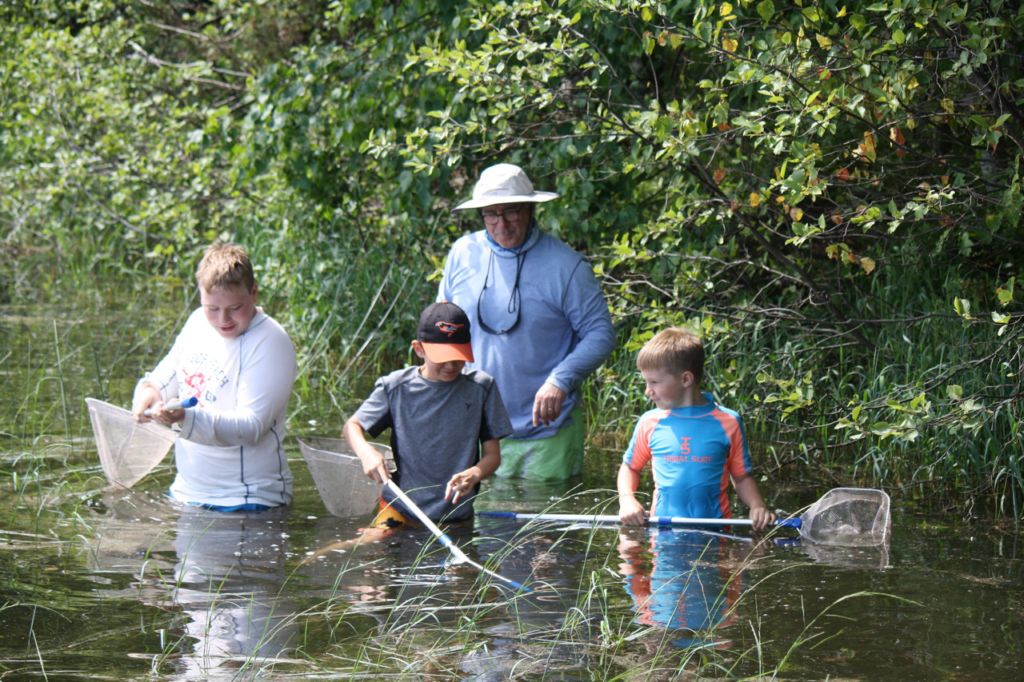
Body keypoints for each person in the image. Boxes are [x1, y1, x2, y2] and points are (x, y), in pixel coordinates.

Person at [439, 163, 615, 480]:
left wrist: (561, 379)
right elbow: (443, 326)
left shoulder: (567, 266)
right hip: (476, 428)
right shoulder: (462, 253)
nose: (501, 224)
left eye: (510, 212)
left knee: (547, 527)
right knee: (479, 526)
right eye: (490, 214)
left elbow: (600, 333)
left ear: (531, 208)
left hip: (548, 433)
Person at [132, 242, 297, 512]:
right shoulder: (198, 322)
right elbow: (167, 373)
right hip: (186, 493)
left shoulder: (271, 341)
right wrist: (148, 392)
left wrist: (186, 418)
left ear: (253, 293)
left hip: (250, 501)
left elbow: (251, 426)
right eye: (212, 308)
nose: (223, 319)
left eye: (234, 307)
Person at [343, 301, 513, 526]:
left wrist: (474, 473)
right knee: (365, 546)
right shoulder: (395, 388)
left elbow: (493, 456)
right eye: (442, 358)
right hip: (400, 509)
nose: (451, 365)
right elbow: (351, 427)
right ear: (419, 349)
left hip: (455, 515)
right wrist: (367, 453)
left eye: (459, 356)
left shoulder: (482, 388)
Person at [617, 328, 776, 530]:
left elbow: (742, 476)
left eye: (654, 382)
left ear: (686, 379)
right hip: (663, 531)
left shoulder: (728, 421)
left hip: (716, 532)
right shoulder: (650, 422)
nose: (648, 391)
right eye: (646, 382)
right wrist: (627, 500)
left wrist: (757, 505)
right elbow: (630, 467)